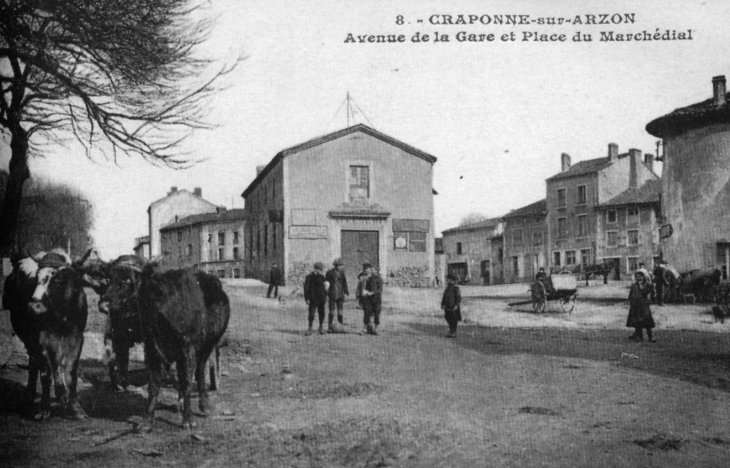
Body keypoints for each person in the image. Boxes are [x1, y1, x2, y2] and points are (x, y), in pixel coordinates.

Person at [627, 270, 656, 342]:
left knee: (647, 321)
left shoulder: (648, 284)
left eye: (640, 277)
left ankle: (651, 336)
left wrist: (641, 287)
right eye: (637, 277)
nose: (638, 279)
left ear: (643, 277)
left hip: (644, 306)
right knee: (637, 322)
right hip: (635, 306)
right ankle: (639, 336)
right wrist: (631, 301)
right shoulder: (634, 285)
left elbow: (648, 295)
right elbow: (630, 295)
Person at [303, 262, 327, 335]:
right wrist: (307, 298)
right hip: (312, 298)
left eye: (321, 269)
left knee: (321, 313)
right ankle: (310, 328)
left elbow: (324, 288)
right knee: (311, 313)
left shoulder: (322, 277)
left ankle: (321, 327)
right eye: (320, 269)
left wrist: (325, 294)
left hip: (321, 298)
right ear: (316, 269)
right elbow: (306, 289)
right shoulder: (309, 277)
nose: (321, 271)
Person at [325, 258, 349, 328]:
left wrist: (346, 291)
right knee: (331, 311)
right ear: (336, 266)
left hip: (340, 294)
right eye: (340, 265)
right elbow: (326, 283)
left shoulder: (342, 273)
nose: (342, 267)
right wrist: (326, 294)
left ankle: (340, 327)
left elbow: (344, 282)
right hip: (332, 294)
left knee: (340, 311)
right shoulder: (329, 273)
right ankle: (329, 326)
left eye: (342, 265)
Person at [360, 263, 383, 335]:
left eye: (372, 270)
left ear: (376, 271)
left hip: (377, 299)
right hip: (369, 299)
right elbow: (365, 287)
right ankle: (364, 329)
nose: (371, 271)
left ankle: (376, 329)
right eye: (371, 270)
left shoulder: (380, 279)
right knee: (367, 313)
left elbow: (380, 290)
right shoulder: (369, 278)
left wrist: (373, 293)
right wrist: (365, 292)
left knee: (376, 314)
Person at [441, 273, 462, 338]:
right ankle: (450, 330)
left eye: (449, 279)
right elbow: (444, 296)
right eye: (448, 279)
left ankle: (453, 332)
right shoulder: (447, 288)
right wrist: (442, 304)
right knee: (447, 317)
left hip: (453, 306)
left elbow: (459, 298)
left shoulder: (456, 288)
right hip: (447, 306)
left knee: (454, 319)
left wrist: (456, 305)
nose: (448, 280)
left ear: (452, 280)